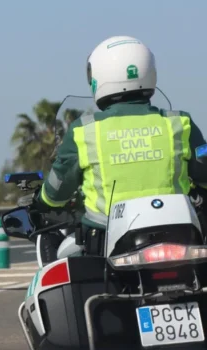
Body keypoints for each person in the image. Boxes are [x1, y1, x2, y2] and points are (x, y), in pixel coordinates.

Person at [33, 35, 207, 265]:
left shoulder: (84, 131)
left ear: (97, 78)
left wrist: (40, 202)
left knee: (62, 262)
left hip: (105, 242)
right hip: (180, 237)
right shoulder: (180, 124)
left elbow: (56, 192)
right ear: (150, 72)